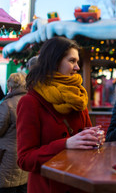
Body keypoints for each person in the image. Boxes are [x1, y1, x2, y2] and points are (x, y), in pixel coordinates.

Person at [16, 37, 103, 193]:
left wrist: (94, 137)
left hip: (79, 182)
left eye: (77, 62)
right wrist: (66, 144)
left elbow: (85, 134)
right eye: (72, 61)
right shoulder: (30, 102)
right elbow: (25, 160)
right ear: (55, 62)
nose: (77, 67)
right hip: (48, 187)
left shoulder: (77, 96)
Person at [0, 72, 28, 193]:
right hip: (25, 153)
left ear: (10, 87)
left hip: (8, 158)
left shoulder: (7, 104)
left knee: (7, 187)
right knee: (23, 186)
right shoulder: (31, 101)